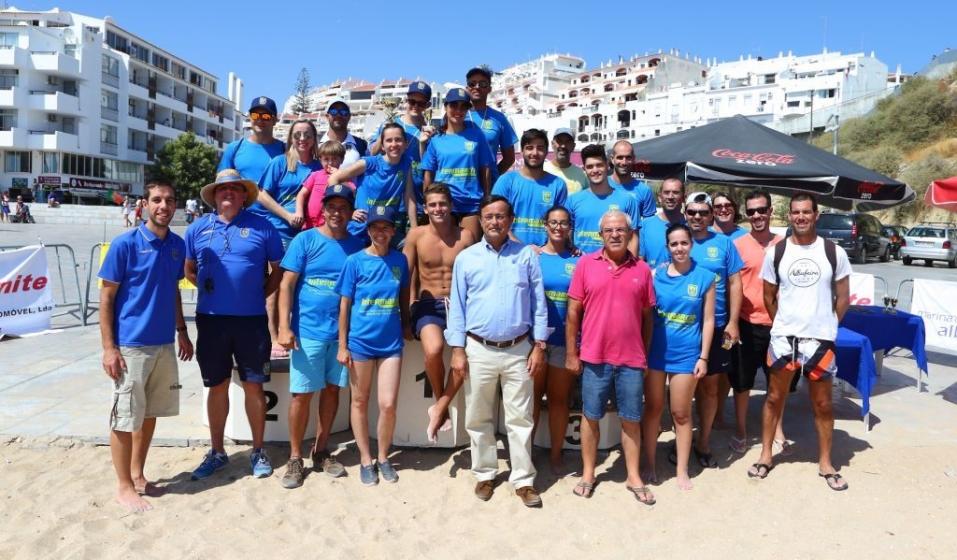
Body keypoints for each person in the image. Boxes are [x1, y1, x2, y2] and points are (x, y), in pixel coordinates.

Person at [445, 195, 548, 507]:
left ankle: (523, 481)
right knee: (478, 417)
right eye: (488, 216)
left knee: (520, 419)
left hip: (519, 349)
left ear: (510, 220)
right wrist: (458, 349)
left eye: (500, 216)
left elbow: (539, 303)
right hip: (478, 349)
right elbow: (457, 307)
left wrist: (539, 345)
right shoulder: (467, 258)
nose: (494, 222)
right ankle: (485, 474)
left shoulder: (527, 256)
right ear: (481, 219)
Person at [99, 181, 193, 512]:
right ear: (145, 204)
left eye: (169, 200)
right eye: (156, 200)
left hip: (164, 343)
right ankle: (124, 486)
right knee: (125, 417)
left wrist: (182, 330)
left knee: (150, 413)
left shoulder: (177, 246)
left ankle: (138, 474)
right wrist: (109, 348)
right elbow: (107, 298)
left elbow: (174, 290)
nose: (163, 206)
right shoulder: (125, 244)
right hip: (131, 346)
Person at [185, 169, 283, 481]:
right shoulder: (198, 229)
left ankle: (257, 450)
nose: (227, 194)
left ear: (244, 196)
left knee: (254, 385)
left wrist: (259, 292)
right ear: (214, 196)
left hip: (251, 321)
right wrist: (209, 291)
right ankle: (217, 451)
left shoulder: (263, 227)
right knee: (217, 385)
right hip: (212, 321)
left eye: (234, 189)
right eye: (222, 190)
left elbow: (278, 270)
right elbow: (188, 269)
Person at [750, 193, 851, 491]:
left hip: (820, 340)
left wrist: (829, 323)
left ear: (816, 215)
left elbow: (843, 296)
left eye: (807, 212)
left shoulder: (834, 252)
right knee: (773, 398)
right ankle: (766, 454)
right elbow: (768, 295)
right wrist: (782, 323)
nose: (801, 217)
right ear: (789, 216)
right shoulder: (776, 253)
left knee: (822, 404)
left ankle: (825, 462)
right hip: (784, 339)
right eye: (795, 212)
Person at [565, 210, 656, 504]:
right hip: (594, 358)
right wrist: (571, 353)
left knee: (631, 420)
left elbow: (647, 318)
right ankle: (589, 473)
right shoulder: (584, 265)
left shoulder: (642, 269)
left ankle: (633, 476)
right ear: (600, 234)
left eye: (620, 230)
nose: (615, 234)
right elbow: (573, 314)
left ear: (630, 234)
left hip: (631, 360)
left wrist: (643, 354)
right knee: (590, 418)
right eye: (609, 230)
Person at [276, 185, 364, 489]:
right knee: (302, 395)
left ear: (351, 212)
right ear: (322, 209)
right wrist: (283, 328)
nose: (336, 213)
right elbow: (286, 285)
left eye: (343, 207)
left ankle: (322, 450)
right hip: (307, 332)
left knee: (331, 392)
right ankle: (295, 457)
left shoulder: (357, 245)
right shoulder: (305, 240)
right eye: (331, 207)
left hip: (341, 335)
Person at [335, 206, 411, 486]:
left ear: (393, 231)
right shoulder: (355, 261)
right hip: (360, 343)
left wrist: (406, 325)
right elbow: (344, 306)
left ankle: (383, 457)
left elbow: (404, 297)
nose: (380, 232)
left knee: (388, 404)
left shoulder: (400, 260)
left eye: (386, 227)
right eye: (375, 227)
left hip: (391, 343)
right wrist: (343, 345)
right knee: (359, 401)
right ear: (367, 231)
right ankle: (365, 460)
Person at [641, 223, 715, 490]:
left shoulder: (705, 277)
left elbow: (708, 321)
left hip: (687, 356)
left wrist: (703, 357)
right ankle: (649, 462)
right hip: (656, 354)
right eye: (674, 244)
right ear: (667, 247)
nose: (679, 248)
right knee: (652, 410)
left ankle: (682, 470)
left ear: (691, 244)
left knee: (681, 413)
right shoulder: (654, 275)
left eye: (684, 243)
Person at [402, 183, 477, 443]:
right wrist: (405, 315)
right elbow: (405, 276)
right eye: (432, 204)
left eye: (442, 204)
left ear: (451, 206)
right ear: (425, 207)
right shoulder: (416, 235)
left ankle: (440, 407)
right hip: (428, 303)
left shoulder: (465, 236)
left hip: (460, 305)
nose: (438, 209)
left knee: (463, 360)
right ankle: (439, 401)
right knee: (433, 350)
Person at [729, 190, 793, 455]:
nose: (757, 215)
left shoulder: (785, 245)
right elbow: (731, 285)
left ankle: (778, 430)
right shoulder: (738, 245)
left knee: (777, 384)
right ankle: (742, 430)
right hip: (746, 322)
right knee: (742, 384)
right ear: (746, 215)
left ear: (770, 212)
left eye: (762, 210)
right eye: (752, 211)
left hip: (778, 324)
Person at [684, 192, 743, 469]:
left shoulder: (724, 244)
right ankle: (682, 439)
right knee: (681, 389)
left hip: (718, 325)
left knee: (709, 388)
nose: (697, 217)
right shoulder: (676, 240)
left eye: (703, 213)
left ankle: (703, 441)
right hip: (682, 327)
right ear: (685, 214)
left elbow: (735, 283)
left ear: (711, 216)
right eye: (692, 212)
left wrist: (733, 322)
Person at [258, 119, 323, 358]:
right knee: (276, 284)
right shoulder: (280, 163)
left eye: (307, 134)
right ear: (290, 138)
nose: (302, 139)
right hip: (280, 231)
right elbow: (261, 194)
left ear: (314, 138)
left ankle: (294, 332)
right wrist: (286, 214)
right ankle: (273, 337)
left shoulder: (319, 166)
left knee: (301, 286)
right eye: (297, 134)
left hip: (309, 235)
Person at [535, 205, 579, 474]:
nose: (558, 227)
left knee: (558, 400)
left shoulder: (579, 259)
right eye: (553, 222)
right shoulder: (532, 256)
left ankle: (555, 453)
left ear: (570, 227)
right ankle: (525, 452)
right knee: (531, 399)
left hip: (566, 340)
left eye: (563, 223)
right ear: (545, 225)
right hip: (536, 342)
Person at [420, 88, 494, 241]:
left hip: (472, 203)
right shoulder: (436, 139)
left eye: (463, 106)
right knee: (447, 252)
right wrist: (427, 202)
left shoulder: (477, 134)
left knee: (471, 249)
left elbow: (485, 169)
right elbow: (428, 174)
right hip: (445, 205)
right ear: (446, 107)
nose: (458, 110)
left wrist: (487, 198)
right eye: (454, 105)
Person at [326, 123, 416, 238]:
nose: (394, 144)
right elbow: (334, 178)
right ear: (382, 146)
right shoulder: (369, 163)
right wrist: (349, 212)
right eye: (389, 140)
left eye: (398, 140)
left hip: (385, 230)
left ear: (405, 144)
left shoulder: (406, 164)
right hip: (359, 229)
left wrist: (414, 229)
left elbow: (409, 197)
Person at [491, 129, 568, 247]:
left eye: (540, 148)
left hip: (543, 253)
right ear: (522, 151)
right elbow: (495, 220)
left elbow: (561, 223)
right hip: (509, 251)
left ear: (547, 151)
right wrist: (522, 248)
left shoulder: (558, 185)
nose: (535, 153)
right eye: (529, 147)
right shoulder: (506, 181)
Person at [369, 81, 433, 222]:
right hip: (391, 197)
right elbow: (373, 153)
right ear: (406, 100)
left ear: (427, 105)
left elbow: (427, 164)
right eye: (412, 101)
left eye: (421, 103)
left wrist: (423, 143)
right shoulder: (391, 123)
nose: (415, 106)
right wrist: (383, 132)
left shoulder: (429, 129)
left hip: (418, 197)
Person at [566, 144, 640, 255]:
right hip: (581, 265)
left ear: (607, 166)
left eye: (599, 165)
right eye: (590, 167)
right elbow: (566, 236)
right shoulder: (572, 200)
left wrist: (631, 268)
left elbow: (633, 238)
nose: (595, 170)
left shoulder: (628, 200)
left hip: (616, 267)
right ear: (584, 169)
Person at [217, 96, 286, 209]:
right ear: (250, 118)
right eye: (255, 115)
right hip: (242, 217)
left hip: (275, 218)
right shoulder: (234, 148)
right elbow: (221, 184)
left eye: (265, 116)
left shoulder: (285, 150)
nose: (259, 120)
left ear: (274, 120)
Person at [465, 66, 518, 180]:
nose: (477, 87)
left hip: (488, 189)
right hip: (460, 184)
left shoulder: (499, 119)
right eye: (472, 84)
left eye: (482, 83)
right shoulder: (456, 116)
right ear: (467, 88)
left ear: (489, 88)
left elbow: (509, 158)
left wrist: (493, 176)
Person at [296, 140, 353, 230]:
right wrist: (299, 212)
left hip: (331, 225)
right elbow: (301, 194)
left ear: (341, 159)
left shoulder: (345, 177)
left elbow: (352, 191)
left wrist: (339, 178)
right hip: (311, 224)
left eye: (334, 159)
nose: (330, 163)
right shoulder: (315, 175)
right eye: (326, 159)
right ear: (320, 160)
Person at [638, 177, 685, 268]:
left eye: (675, 193)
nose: (670, 197)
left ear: (683, 198)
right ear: (659, 197)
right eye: (666, 192)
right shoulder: (646, 225)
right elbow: (640, 261)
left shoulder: (690, 226)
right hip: (654, 281)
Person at [608, 140, 656, 219]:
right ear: (612, 159)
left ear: (633, 159)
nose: (624, 162)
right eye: (620, 157)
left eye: (628, 158)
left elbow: (648, 224)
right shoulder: (602, 186)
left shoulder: (644, 190)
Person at [318, 100, 368, 167]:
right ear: (327, 116)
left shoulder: (361, 145)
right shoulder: (317, 146)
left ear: (349, 117)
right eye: (334, 112)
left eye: (343, 112)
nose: (338, 115)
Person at [544, 128, 588, 195]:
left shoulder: (583, 175)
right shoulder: (541, 170)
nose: (563, 146)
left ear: (573, 146)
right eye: (559, 141)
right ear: (552, 144)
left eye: (568, 142)